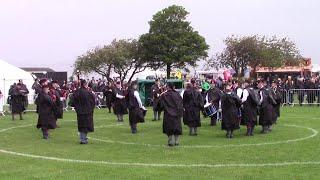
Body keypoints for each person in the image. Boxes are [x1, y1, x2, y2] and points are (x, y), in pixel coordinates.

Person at [70, 79, 95, 144]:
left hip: (80, 111)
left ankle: (83, 138)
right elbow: (92, 101)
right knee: (85, 126)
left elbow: (72, 101)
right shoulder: (87, 92)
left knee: (81, 125)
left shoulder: (77, 91)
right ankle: (83, 139)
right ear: (85, 84)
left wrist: (76, 108)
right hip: (87, 111)